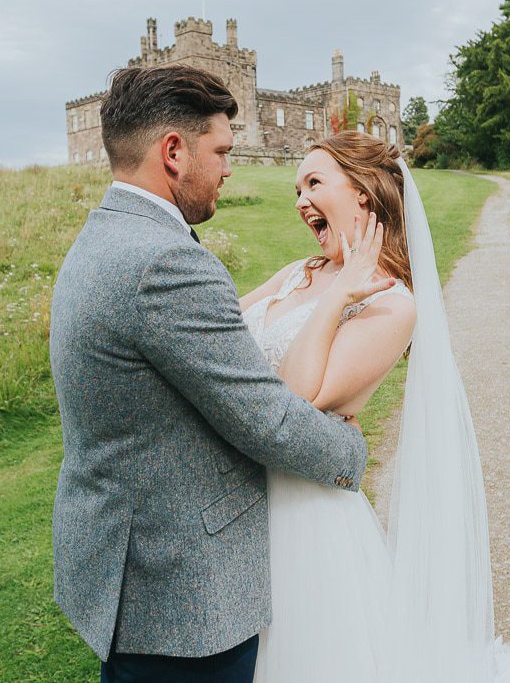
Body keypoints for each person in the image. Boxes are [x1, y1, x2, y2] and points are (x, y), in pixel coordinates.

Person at [49, 65, 386, 683]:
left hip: (126, 563)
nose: (231, 168)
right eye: (222, 151)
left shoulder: (102, 236)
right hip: (180, 592)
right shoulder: (165, 261)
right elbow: (266, 419)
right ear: (173, 152)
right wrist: (349, 449)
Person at [239, 131, 510, 682]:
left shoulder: (393, 304)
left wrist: (339, 296)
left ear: (362, 193)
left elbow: (294, 401)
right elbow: (216, 337)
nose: (300, 199)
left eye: (315, 182)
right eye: (297, 186)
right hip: (240, 497)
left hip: (304, 517)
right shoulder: (297, 272)